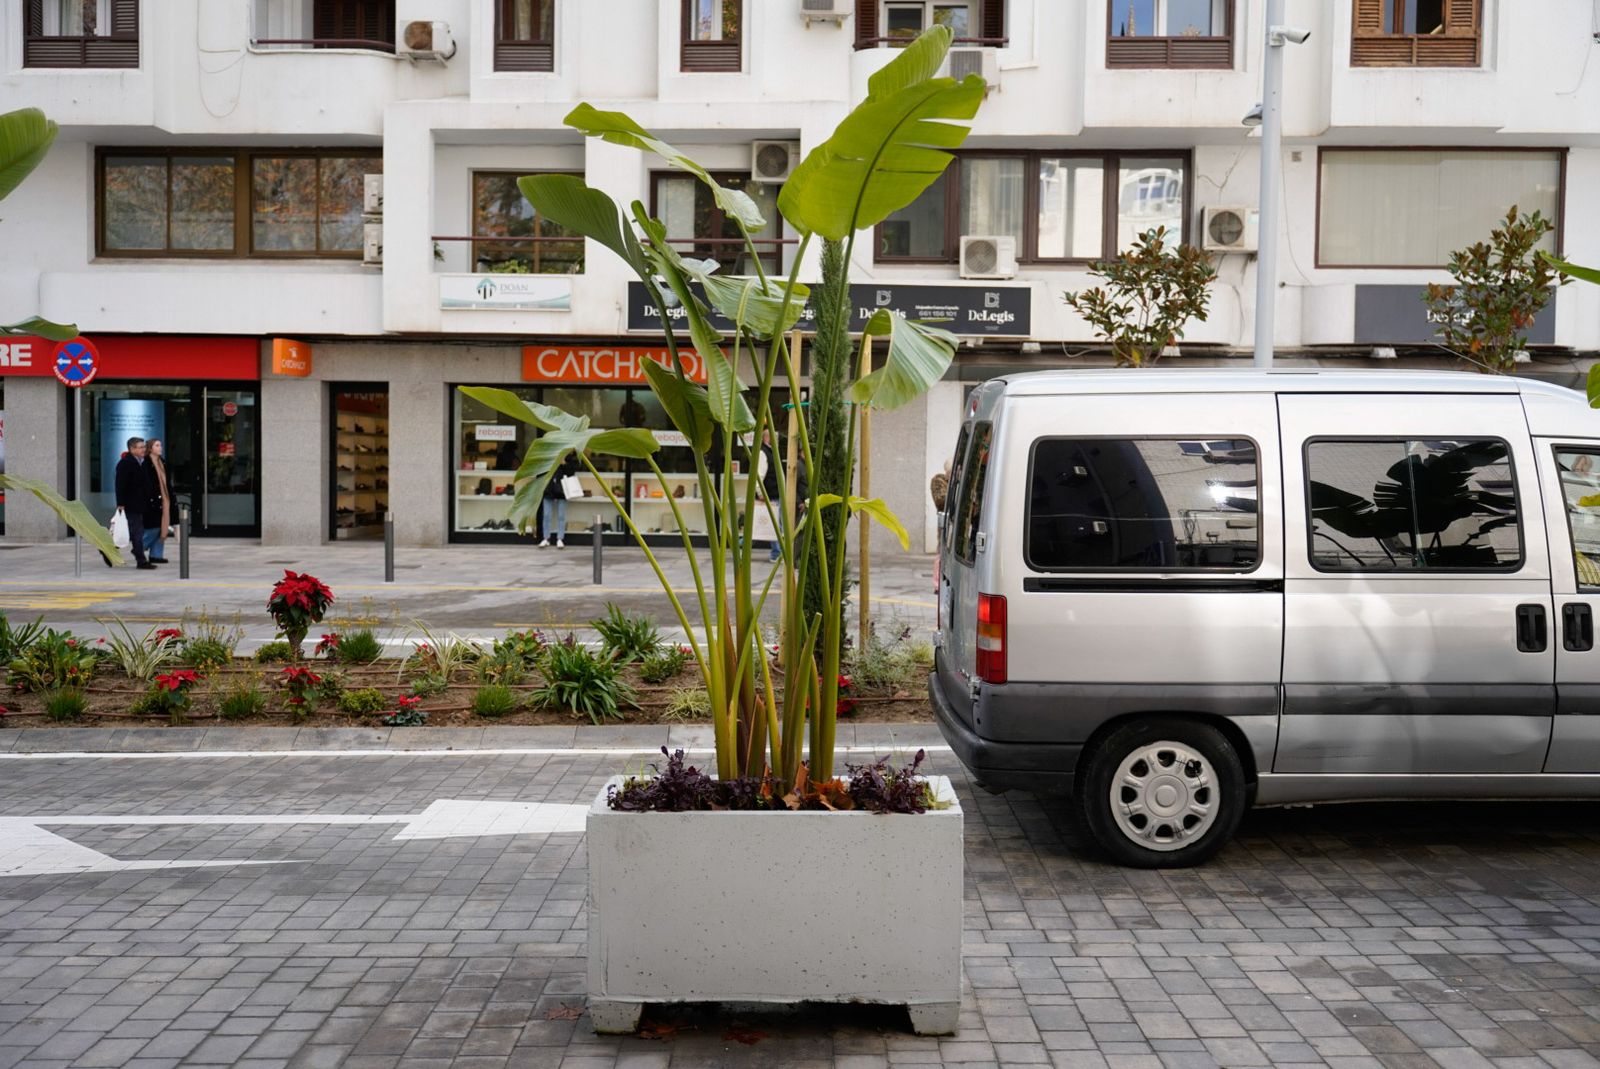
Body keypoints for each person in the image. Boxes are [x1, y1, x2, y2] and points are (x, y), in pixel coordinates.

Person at [113, 437, 157, 570]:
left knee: (132, 531)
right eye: (141, 447)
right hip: (130, 504)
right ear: (132, 449)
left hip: (141, 503)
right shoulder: (125, 463)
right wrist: (120, 503)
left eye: (144, 447)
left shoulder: (142, 462)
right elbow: (120, 485)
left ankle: (107, 547)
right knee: (137, 532)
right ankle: (141, 561)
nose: (144, 449)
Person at [539, 454, 579, 549]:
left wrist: (564, 463)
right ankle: (546, 538)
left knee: (561, 516)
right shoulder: (549, 456)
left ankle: (560, 538)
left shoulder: (568, 457)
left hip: (562, 490)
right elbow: (541, 472)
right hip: (548, 489)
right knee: (546, 515)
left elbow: (571, 472)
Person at [145, 438, 173, 564]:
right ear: (150, 448)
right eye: (157, 445)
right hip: (152, 499)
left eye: (160, 445)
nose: (160, 447)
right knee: (154, 527)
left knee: (163, 526)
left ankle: (156, 555)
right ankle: (139, 547)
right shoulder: (146, 463)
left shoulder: (162, 462)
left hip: (164, 498)